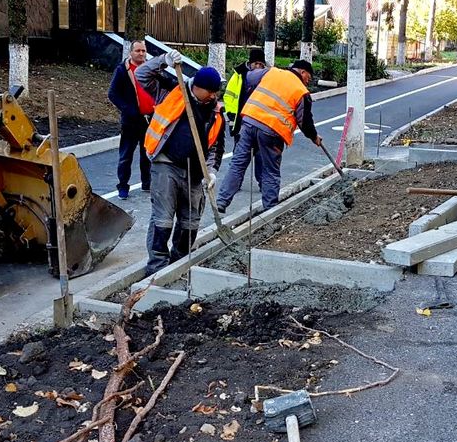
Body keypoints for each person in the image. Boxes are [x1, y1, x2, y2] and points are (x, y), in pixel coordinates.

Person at [135, 50, 225, 275]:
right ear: (198, 87)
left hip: (196, 173)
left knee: (190, 223)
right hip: (166, 164)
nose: (213, 95)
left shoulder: (215, 112)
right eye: (210, 91)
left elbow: (216, 147)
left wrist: (211, 172)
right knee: (163, 220)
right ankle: (156, 268)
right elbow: (141, 75)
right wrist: (163, 60)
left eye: (215, 92)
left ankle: (178, 266)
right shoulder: (171, 90)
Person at [216, 59, 321, 212]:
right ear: (303, 72)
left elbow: (248, 77)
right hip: (272, 131)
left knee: (237, 164)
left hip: (250, 122)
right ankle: (270, 210)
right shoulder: (301, 91)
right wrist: (314, 137)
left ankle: (222, 200)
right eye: (308, 78)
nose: (308, 82)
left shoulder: (272, 72)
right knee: (270, 171)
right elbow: (304, 121)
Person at [107, 40, 155, 198]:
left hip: (150, 120)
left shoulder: (151, 68)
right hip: (130, 121)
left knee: (147, 154)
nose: (141, 54)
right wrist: (128, 109)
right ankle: (122, 186)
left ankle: (147, 183)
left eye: (143, 51)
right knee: (126, 156)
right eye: (138, 51)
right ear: (131, 52)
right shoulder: (122, 70)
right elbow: (112, 94)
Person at [214, 48, 268, 173]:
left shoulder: (266, 77)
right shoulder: (239, 75)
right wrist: (232, 114)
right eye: (256, 63)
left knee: (261, 156)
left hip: (260, 122)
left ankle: (263, 183)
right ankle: (234, 181)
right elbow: (229, 95)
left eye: (261, 64)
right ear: (250, 63)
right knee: (240, 155)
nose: (259, 66)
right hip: (241, 121)